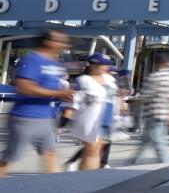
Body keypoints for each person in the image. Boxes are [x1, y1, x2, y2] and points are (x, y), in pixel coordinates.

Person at [0, 30, 74, 178]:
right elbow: (24, 87)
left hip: (46, 119)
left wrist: (64, 95)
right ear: (48, 42)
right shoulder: (32, 60)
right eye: (61, 41)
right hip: (25, 118)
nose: (65, 45)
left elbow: (52, 88)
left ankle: (57, 191)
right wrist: (58, 93)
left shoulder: (57, 64)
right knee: (10, 157)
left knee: (51, 154)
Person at [64, 54, 114, 171]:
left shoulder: (110, 80)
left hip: (106, 119)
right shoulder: (83, 81)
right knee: (92, 150)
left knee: (97, 150)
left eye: (106, 65)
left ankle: (84, 173)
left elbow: (114, 97)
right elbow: (74, 100)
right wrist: (66, 117)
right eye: (103, 64)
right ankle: (85, 178)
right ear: (93, 65)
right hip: (89, 118)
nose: (105, 67)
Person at [131, 53, 169, 165]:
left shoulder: (153, 77)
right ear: (168, 64)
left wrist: (134, 108)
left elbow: (144, 96)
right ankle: (131, 162)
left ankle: (165, 165)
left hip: (154, 114)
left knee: (159, 144)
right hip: (166, 115)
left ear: (155, 64)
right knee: (146, 141)